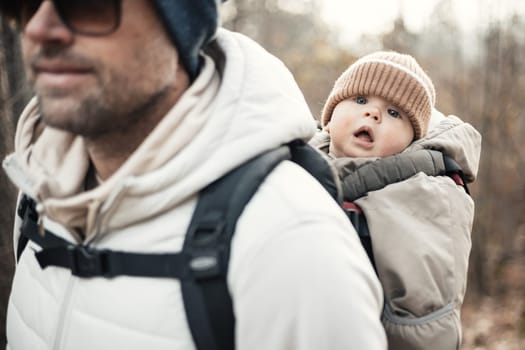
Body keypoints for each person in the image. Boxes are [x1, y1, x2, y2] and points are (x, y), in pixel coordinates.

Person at [1, 1, 387, 349]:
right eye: (27, 4)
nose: (37, 28)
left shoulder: (292, 242)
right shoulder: (40, 189)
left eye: (86, 6)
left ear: (179, 25)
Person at [310, 51, 482, 349]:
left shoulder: (421, 192)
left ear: (410, 142)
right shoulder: (294, 163)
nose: (373, 114)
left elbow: (427, 313)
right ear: (328, 120)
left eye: (394, 113)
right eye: (360, 100)